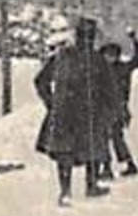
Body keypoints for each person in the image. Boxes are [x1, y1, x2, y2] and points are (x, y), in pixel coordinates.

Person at [34, 18, 112, 205]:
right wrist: (109, 110)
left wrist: (52, 102)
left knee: (66, 151)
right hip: (87, 112)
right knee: (92, 147)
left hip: (64, 112)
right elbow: (109, 89)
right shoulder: (96, 60)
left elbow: (40, 81)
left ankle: (66, 191)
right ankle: (90, 186)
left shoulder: (61, 56)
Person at [98, 28, 138, 180]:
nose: (110, 57)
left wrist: (134, 40)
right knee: (108, 137)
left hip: (118, 109)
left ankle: (112, 166)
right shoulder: (100, 70)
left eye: (112, 54)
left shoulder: (122, 69)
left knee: (112, 137)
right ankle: (122, 164)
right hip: (105, 108)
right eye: (107, 54)